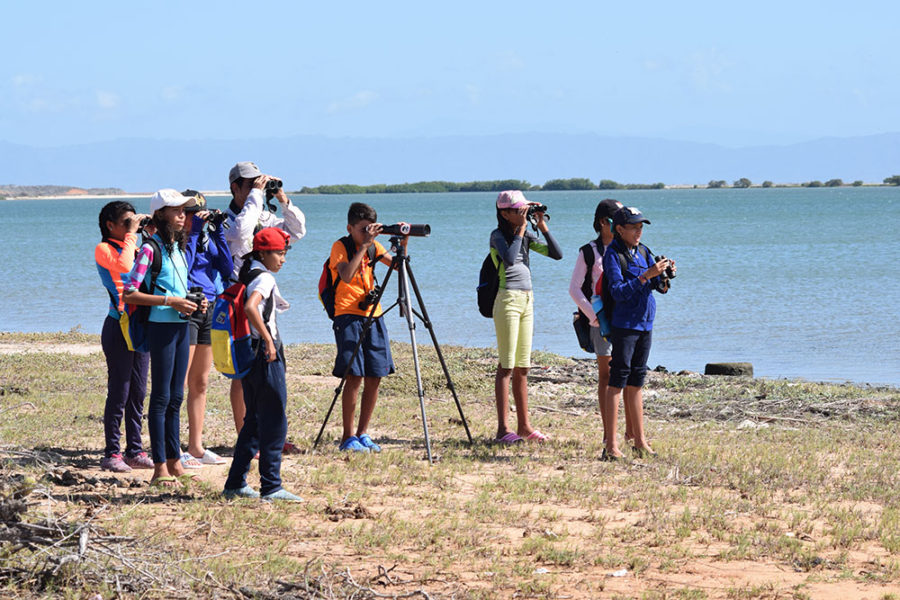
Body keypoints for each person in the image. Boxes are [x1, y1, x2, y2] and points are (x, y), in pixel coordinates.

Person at [123, 189, 205, 488]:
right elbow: (129, 293)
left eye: (184, 210)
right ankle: (159, 467)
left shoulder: (178, 249)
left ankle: (175, 461)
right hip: (160, 328)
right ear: (160, 215)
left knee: (176, 397)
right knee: (160, 397)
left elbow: (176, 288)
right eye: (176, 210)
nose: (183, 215)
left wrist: (194, 302)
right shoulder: (149, 249)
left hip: (181, 326)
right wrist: (172, 302)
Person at [224, 162, 306, 445]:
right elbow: (242, 233)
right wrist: (257, 197)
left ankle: (271, 434)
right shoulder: (226, 221)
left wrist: (282, 198)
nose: (256, 189)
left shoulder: (262, 214)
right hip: (240, 302)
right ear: (235, 187)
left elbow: (297, 231)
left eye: (259, 184)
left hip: (264, 301)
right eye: (250, 184)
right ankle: (246, 436)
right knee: (244, 374)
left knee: (274, 371)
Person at [223, 227, 301, 502]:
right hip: (265, 353)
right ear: (264, 253)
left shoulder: (247, 271)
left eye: (284, 253)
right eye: (279, 254)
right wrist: (268, 340)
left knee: (254, 419)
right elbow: (251, 307)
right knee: (275, 419)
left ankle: (235, 483)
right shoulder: (264, 278)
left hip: (249, 353)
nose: (283, 259)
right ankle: (271, 486)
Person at [329, 202, 407, 452]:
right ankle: (347, 436)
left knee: (375, 374)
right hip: (348, 315)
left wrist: (403, 243)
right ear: (349, 228)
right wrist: (364, 245)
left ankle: (363, 432)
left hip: (374, 314)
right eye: (362, 229)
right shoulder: (340, 246)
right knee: (355, 376)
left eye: (370, 229)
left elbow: (398, 266)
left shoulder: (374, 246)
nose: (367, 234)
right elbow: (346, 276)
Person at [601, 206, 674, 460]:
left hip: (645, 324)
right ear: (620, 229)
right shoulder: (613, 255)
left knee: (637, 382)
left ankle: (639, 441)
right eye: (634, 227)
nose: (638, 232)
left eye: (641, 227)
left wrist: (665, 275)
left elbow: (658, 286)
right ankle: (611, 446)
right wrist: (646, 276)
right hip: (624, 326)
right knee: (617, 382)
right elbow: (617, 292)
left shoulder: (643, 251)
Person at [490, 190, 563, 444]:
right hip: (507, 300)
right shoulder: (497, 235)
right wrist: (522, 229)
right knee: (506, 366)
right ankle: (503, 429)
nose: (523, 213)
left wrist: (542, 226)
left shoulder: (526, 235)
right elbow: (510, 260)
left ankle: (524, 427)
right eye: (518, 210)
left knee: (523, 367)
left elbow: (557, 254)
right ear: (504, 213)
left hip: (527, 300)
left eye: (524, 209)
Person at [95, 201, 153, 473]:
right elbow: (125, 265)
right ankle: (112, 453)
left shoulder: (137, 247)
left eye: (134, 221)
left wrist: (151, 235)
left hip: (139, 324)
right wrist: (132, 234)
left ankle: (135, 450)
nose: (132, 226)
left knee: (138, 392)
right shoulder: (104, 249)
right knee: (120, 390)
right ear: (110, 225)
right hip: (118, 325)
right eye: (126, 222)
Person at [181, 190, 233, 468]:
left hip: (210, 306)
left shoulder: (205, 236)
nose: (196, 217)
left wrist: (218, 232)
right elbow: (185, 268)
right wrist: (193, 232)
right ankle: (171, 448)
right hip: (187, 307)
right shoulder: (177, 239)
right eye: (191, 213)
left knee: (200, 382)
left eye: (200, 212)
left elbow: (226, 268)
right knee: (179, 382)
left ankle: (196, 446)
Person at [568, 198, 622, 443]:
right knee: (607, 376)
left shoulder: (626, 247)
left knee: (627, 376)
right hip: (600, 324)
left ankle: (630, 432)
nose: (622, 223)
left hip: (626, 321)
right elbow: (574, 289)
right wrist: (594, 316)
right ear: (602, 222)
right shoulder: (589, 252)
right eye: (615, 219)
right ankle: (608, 433)